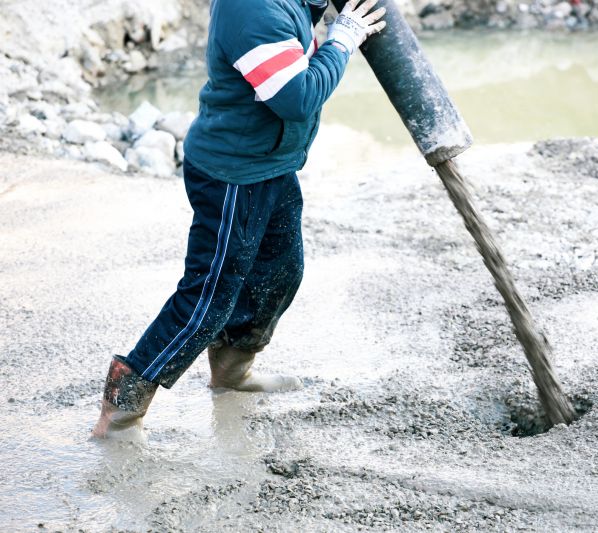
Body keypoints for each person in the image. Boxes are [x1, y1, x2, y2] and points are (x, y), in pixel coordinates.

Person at [92, 0, 386, 438]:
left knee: (280, 272)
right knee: (208, 298)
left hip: (271, 164)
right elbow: (298, 98)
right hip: (232, 175)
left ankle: (232, 369)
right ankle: (121, 411)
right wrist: (342, 39)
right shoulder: (252, 8)